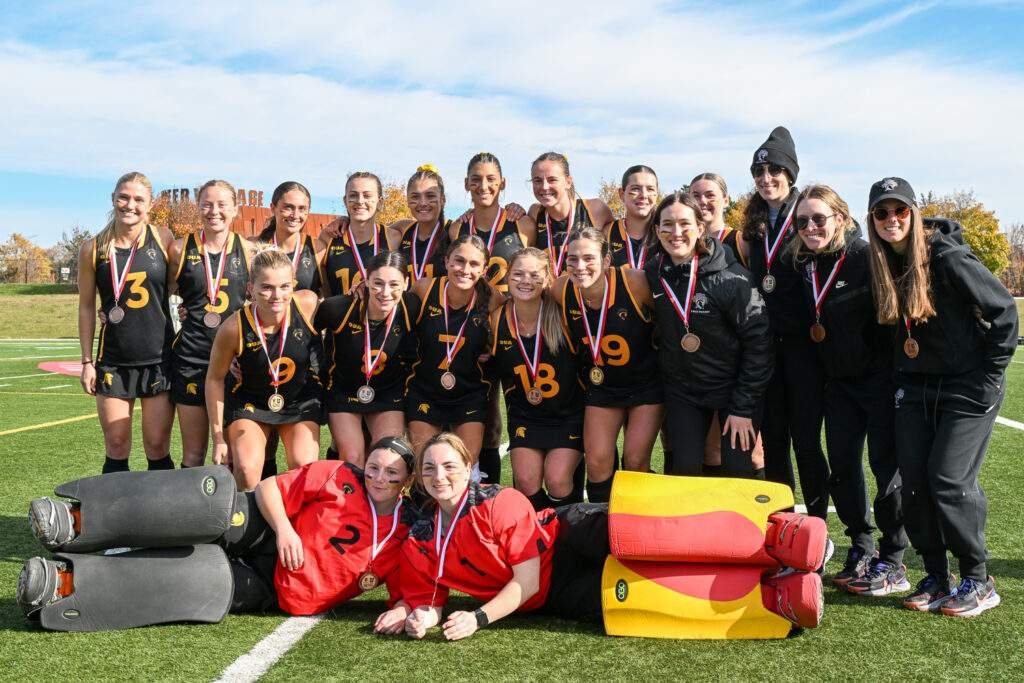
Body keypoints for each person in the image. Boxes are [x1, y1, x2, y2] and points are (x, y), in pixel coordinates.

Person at [18, 437, 419, 628]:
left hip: (274, 588)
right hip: (270, 532)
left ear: (406, 481)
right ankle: (76, 518)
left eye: (391, 473)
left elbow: (407, 593)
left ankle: (65, 585)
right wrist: (284, 531)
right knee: (212, 503)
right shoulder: (338, 474)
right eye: (374, 466)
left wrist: (402, 611)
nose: (378, 477)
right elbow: (268, 488)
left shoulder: (406, 532)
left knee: (200, 581)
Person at [865, 177, 1017, 616]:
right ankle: (936, 575)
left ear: (913, 213)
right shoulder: (881, 263)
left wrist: (988, 375)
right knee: (913, 483)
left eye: (899, 211)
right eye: (881, 212)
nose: (891, 220)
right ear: (871, 220)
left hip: (968, 385)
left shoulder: (947, 256)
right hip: (916, 386)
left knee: (948, 480)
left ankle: (977, 578)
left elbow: (1003, 311)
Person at [787, 184, 908, 592]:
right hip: (838, 384)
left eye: (819, 218)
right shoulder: (804, 261)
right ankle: (861, 545)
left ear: (841, 218)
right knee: (842, 468)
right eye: (802, 220)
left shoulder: (865, 256)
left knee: (884, 467)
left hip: (877, 380)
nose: (810, 227)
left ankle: (894, 558)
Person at [375, 433, 610, 639]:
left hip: (566, 538)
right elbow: (429, 603)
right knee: (636, 597)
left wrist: (478, 618)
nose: (438, 476)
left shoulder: (499, 502)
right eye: (429, 468)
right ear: (419, 476)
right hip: (554, 594)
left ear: (468, 468)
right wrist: (419, 621)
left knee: (637, 537)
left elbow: (528, 582)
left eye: (449, 466)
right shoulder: (419, 540)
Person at [643, 193, 772, 478]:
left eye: (684, 224)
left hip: (733, 389)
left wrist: (743, 406)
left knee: (738, 467)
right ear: (656, 230)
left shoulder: (732, 278)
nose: (675, 233)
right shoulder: (654, 272)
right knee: (686, 468)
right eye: (667, 225)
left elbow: (759, 344)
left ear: (701, 228)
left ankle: (750, 522)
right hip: (684, 391)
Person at [741, 127, 829, 519]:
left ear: (790, 174)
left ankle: (815, 524)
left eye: (775, 170)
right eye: (759, 172)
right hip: (765, 349)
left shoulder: (809, 214)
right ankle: (784, 526)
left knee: (807, 442)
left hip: (805, 349)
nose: (766, 179)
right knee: (774, 442)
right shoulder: (755, 220)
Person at [551, 228, 663, 503]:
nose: (580, 266)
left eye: (589, 258)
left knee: (635, 460)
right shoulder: (560, 289)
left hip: (646, 384)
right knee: (598, 462)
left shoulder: (633, 282)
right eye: (572, 259)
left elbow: (668, 317)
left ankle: (642, 528)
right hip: (602, 386)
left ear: (607, 260)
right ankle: (603, 531)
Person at [77, 171, 176, 474]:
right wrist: (86, 361)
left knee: (157, 445)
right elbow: (85, 306)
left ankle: (163, 517)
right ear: (113, 199)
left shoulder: (163, 237)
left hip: (159, 359)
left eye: (138, 199)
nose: (129, 205)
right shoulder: (92, 248)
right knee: (117, 445)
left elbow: (178, 289)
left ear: (150, 204)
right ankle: (114, 520)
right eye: (123, 197)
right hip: (114, 361)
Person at [452, 153, 539, 485]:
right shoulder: (458, 227)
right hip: (472, 334)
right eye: (476, 178)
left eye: (491, 178)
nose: (483, 185)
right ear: (466, 184)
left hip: (517, 332)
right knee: (483, 418)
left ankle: (521, 495)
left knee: (522, 412)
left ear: (503, 183)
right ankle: (482, 491)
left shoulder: (522, 223)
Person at [206, 248, 323, 491]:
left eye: (284, 286)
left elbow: (348, 314)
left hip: (298, 400)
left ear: (293, 284)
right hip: (251, 401)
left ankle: (292, 526)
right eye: (266, 287)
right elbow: (214, 380)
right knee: (247, 471)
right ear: (250, 288)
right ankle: (246, 525)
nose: (276, 295)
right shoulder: (233, 328)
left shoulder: (308, 305)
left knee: (304, 467)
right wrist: (218, 438)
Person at [489, 248, 585, 509]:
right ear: (507, 277)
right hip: (525, 414)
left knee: (557, 479)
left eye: (534, 274)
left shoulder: (563, 313)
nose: (525, 281)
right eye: (518, 274)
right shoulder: (496, 320)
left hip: (567, 413)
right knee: (526, 481)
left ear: (547, 278)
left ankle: (565, 538)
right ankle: (536, 539)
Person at [168, 180, 254, 468]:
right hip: (191, 358)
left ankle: (231, 514)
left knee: (230, 454)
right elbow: (159, 295)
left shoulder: (249, 250)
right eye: (207, 204)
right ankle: (188, 514)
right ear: (198, 207)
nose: (213, 211)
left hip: (233, 362)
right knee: (193, 454)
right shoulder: (179, 250)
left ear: (235, 210)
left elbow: (262, 304)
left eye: (221, 204)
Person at [688, 173, 766, 476]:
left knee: (753, 450)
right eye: (695, 195)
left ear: (726, 199)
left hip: (743, 363)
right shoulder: (683, 241)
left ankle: (769, 518)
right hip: (699, 365)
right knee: (709, 449)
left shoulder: (741, 241)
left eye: (710, 194)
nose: (702, 201)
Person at [404, 236, 503, 467]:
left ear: (484, 269)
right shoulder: (424, 289)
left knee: (463, 467)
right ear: (447, 261)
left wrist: (492, 348)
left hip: (468, 394)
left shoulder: (493, 299)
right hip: (425, 390)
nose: (465, 269)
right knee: (425, 466)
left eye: (474, 264)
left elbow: (506, 339)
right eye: (459, 261)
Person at [315, 252, 419, 466]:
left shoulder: (412, 307)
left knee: (389, 458)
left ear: (406, 284)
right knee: (353, 458)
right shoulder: (338, 308)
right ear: (366, 279)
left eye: (394, 284)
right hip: (345, 392)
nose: (385, 292)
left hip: (388, 392)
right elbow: (302, 331)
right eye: (378, 283)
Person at [529, 152, 614, 277]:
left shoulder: (595, 209)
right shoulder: (535, 212)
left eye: (552, 179)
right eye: (537, 180)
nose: (544, 186)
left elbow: (621, 238)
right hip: (549, 294)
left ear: (568, 182)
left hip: (583, 293)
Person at [319, 172, 385, 296]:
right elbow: (322, 290)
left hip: (385, 315)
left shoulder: (393, 237)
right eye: (353, 195)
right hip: (340, 315)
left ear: (380, 202)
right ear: (345, 200)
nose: (360, 201)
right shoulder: (329, 237)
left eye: (367, 195)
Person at [256, 181, 325, 293]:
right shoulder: (254, 246)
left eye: (302, 208)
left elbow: (327, 296)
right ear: (273, 208)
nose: (295, 215)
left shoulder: (318, 249)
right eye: (288, 207)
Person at [390, 165, 451, 283]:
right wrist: (345, 220)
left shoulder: (453, 230)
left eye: (430, 196)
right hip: (406, 301)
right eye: (415, 197)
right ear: (407, 200)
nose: (423, 202)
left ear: (442, 199)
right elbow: (369, 231)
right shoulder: (403, 229)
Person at [608, 165, 658, 270]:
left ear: (656, 194)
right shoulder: (607, 233)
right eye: (635, 189)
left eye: (650, 189)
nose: (644, 195)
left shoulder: (665, 233)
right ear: (622, 194)